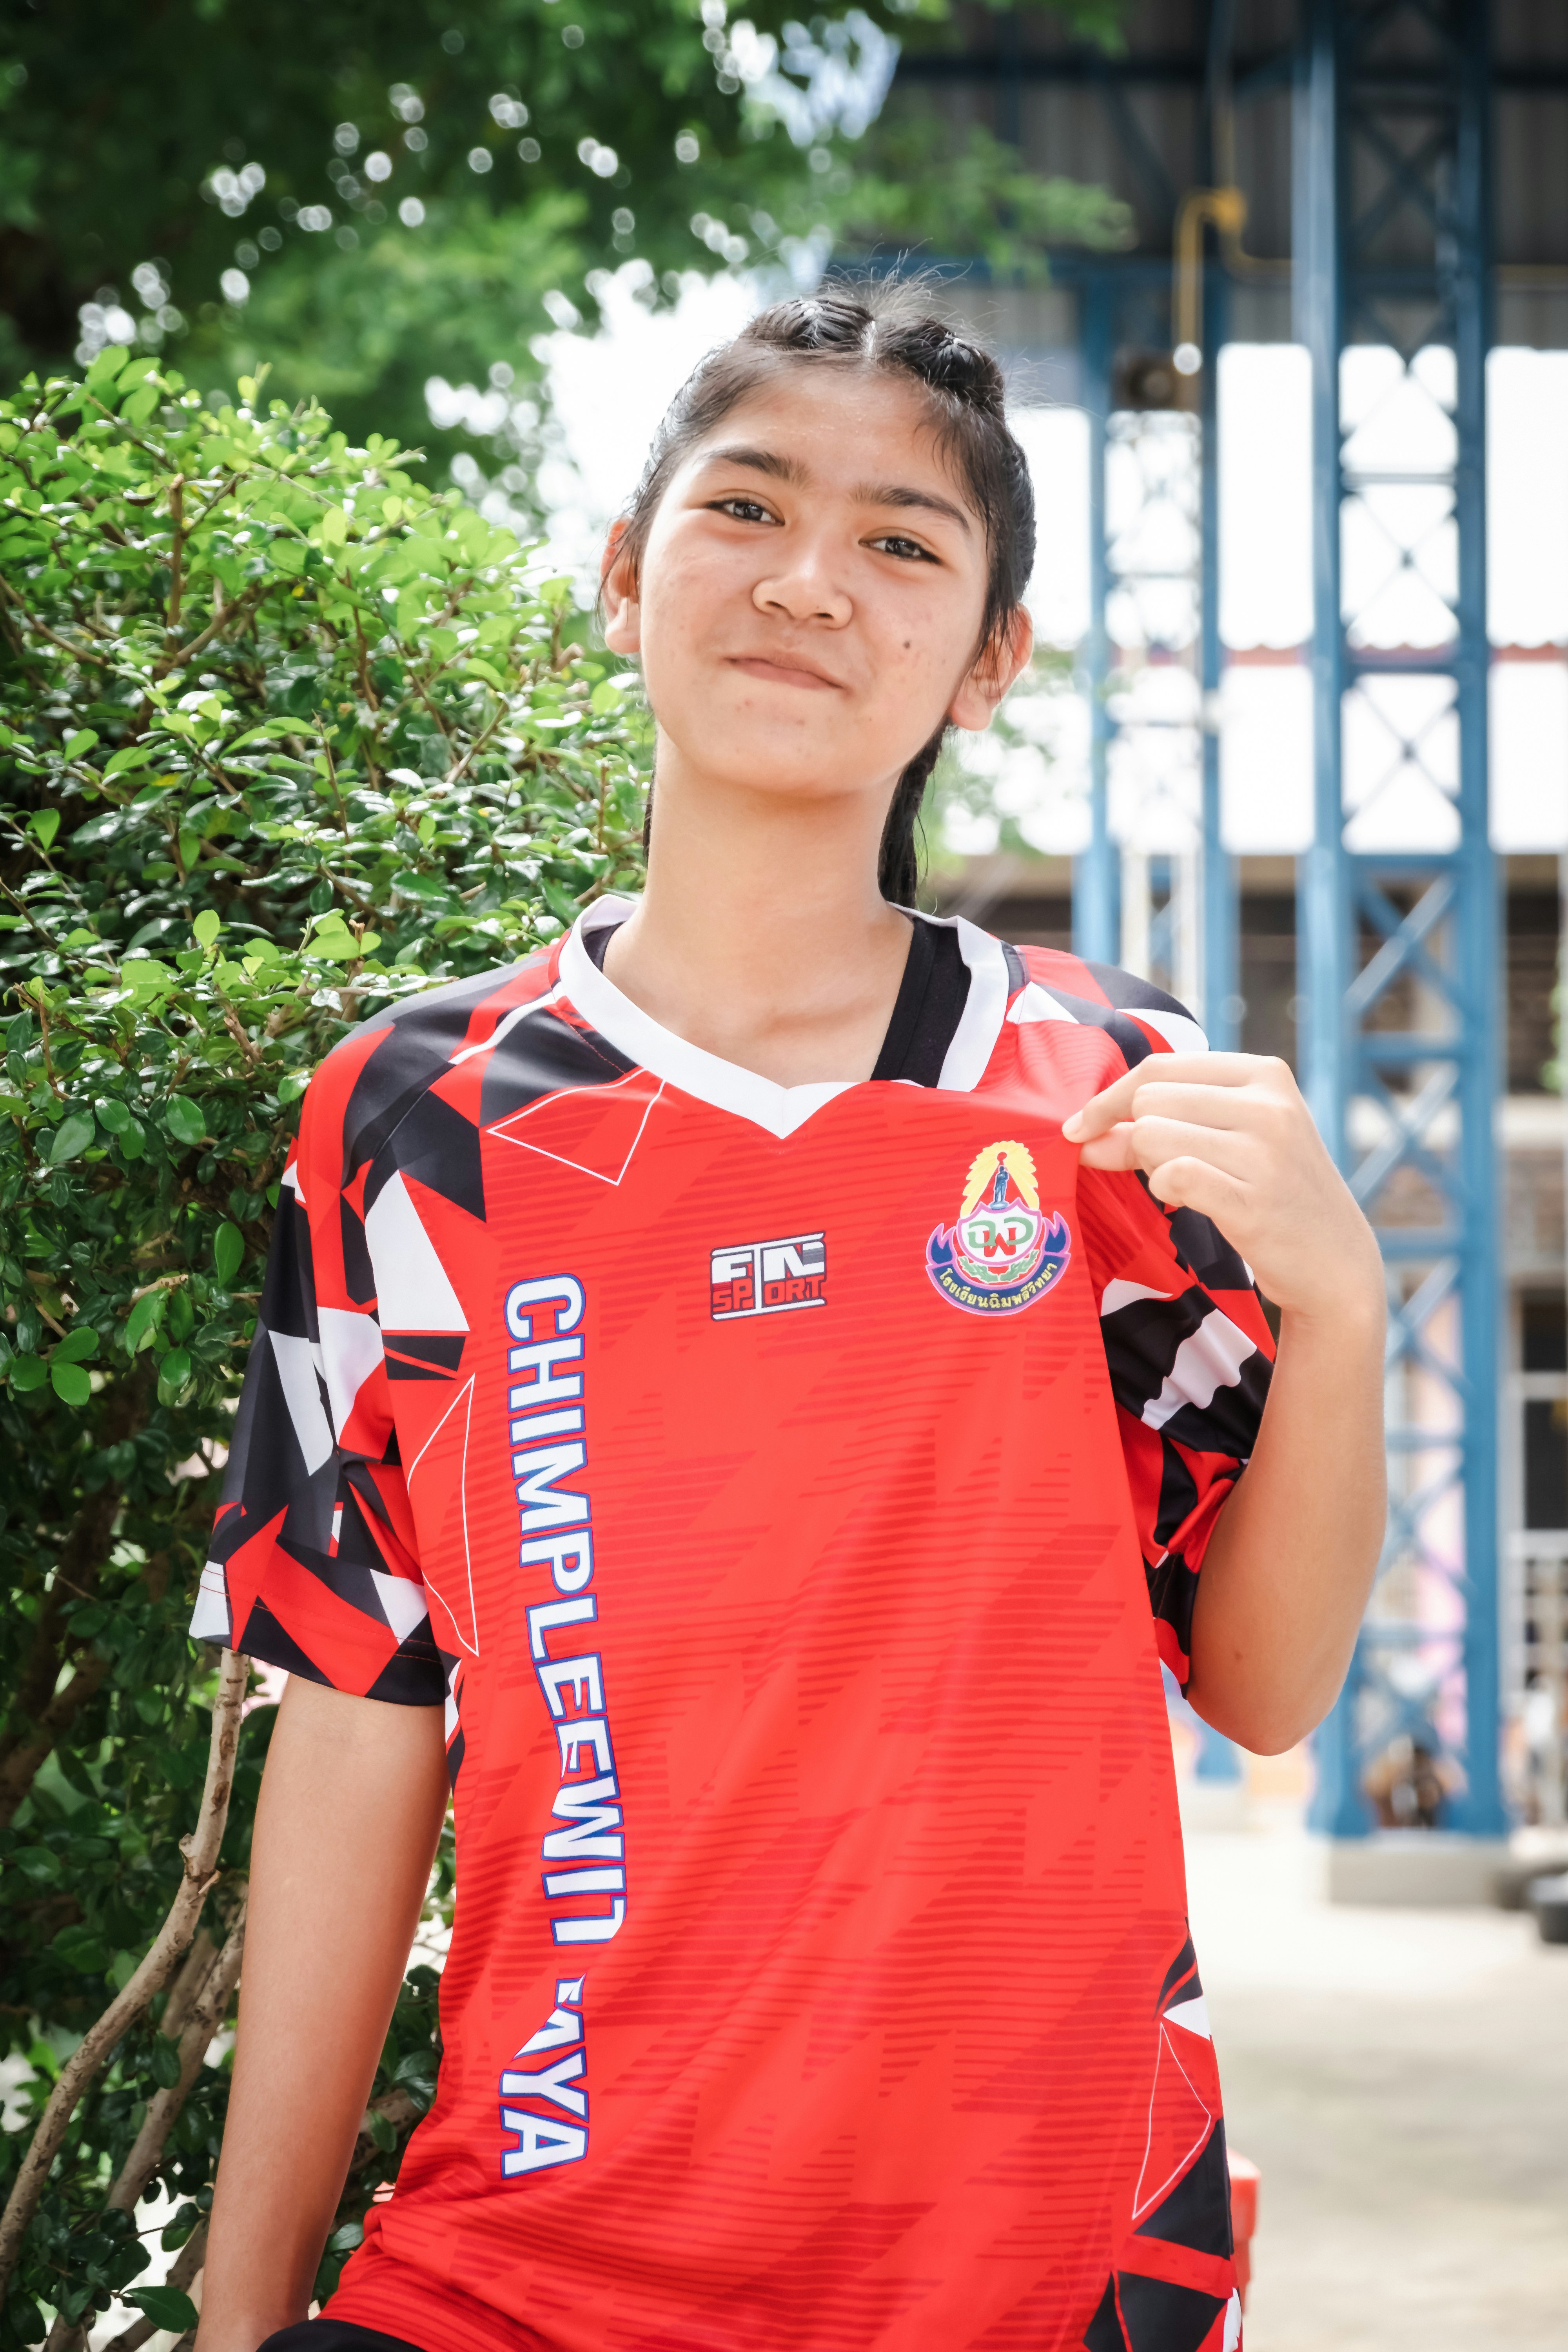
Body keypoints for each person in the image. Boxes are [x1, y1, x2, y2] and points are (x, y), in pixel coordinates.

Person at [189, 292, 1386, 2352]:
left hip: (1049, 2270)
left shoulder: (1110, 1095)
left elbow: (1264, 1691)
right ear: (626, 573)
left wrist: (1344, 1313)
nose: (813, 581)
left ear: (987, 662)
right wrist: (238, 2315)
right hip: (524, 2264)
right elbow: (356, 1724)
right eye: (746, 506)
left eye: (906, 544)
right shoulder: (412, 1124)